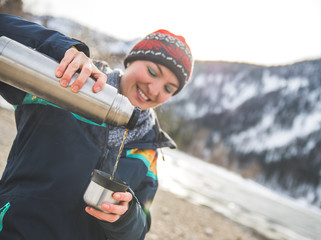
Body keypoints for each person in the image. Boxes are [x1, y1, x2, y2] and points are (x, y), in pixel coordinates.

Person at [0, 14, 193, 240]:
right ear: (130, 61)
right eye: (152, 72)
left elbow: (140, 229)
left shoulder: (148, 150)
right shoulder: (71, 83)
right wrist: (63, 48)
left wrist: (126, 216)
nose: (155, 90)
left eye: (169, 88)